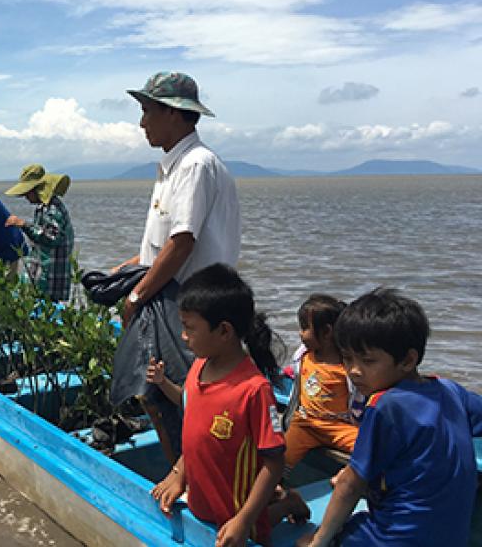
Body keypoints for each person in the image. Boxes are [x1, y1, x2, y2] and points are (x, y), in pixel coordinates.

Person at [112, 70, 240, 463]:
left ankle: (194, 477)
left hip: (188, 302)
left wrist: (136, 293)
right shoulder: (175, 165)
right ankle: (183, 473)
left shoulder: (194, 165)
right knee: (159, 395)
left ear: (174, 114)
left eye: (147, 111)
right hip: (175, 298)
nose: (142, 122)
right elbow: (168, 242)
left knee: (181, 398)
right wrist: (131, 267)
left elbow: (183, 242)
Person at [297, 288, 482, 547]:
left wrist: (320, 541)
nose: (353, 371)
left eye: (367, 361)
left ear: (407, 360)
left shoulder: (384, 405)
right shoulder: (450, 390)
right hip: (454, 538)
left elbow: (350, 485)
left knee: (314, 538)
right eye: (347, 359)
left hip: (393, 540)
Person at [151, 264, 307, 547]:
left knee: (255, 529)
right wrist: (178, 475)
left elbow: (274, 462)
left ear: (224, 331)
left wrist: (244, 519)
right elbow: (196, 434)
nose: (183, 337)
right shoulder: (198, 368)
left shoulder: (253, 391)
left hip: (238, 513)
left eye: (189, 328)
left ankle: (286, 505)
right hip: (202, 501)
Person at [282, 294, 360, 473]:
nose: (300, 334)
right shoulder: (304, 356)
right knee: (280, 461)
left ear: (326, 332)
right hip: (305, 424)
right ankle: (276, 487)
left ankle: (349, 478)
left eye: (304, 328)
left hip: (338, 427)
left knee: (370, 450)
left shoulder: (347, 365)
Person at [4, 164, 75, 301]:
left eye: (27, 193)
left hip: (51, 276)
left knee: (46, 312)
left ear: (38, 190)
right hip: (45, 273)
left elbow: (52, 237)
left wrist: (23, 224)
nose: (26, 197)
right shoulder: (44, 207)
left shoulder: (53, 209)